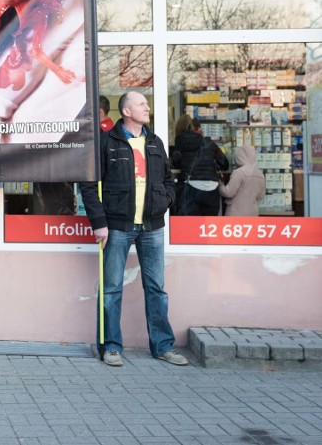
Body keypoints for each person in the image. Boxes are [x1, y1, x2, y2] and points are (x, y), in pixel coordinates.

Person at [80, 91, 188, 367]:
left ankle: (163, 346)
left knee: (156, 288)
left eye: (146, 104)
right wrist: (100, 223)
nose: (147, 107)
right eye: (142, 104)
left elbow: (168, 180)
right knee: (112, 287)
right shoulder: (108, 143)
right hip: (117, 226)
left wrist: (165, 201)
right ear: (126, 111)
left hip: (152, 225)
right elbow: (89, 186)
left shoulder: (154, 142)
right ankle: (112, 347)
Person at [171, 114, 229, 216]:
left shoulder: (180, 140)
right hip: (212, 186)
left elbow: (177, 162)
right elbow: (225, 164)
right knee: (208, 224)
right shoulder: (208, 142)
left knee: (190, 224)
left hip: (192, 186)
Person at [219, 145, 266, 216]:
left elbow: (228, 193)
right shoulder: (260, 174)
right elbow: (261, 196)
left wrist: (220, 185)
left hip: (236, 213)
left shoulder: (239, 172)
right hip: (253, 213)